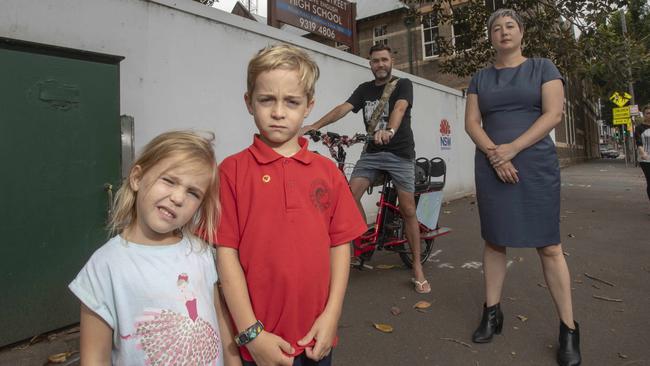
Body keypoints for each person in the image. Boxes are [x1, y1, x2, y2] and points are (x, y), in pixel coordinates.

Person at [214, 44, 367, 366]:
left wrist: (332, 315)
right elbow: (225, 253)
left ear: (309, 106)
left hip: (316, 337)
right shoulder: (231, 171)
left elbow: (340, 245)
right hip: (259, 344)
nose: (279, 112)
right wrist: (250, 333)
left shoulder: (327, 171)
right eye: (266, 99)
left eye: (292, 101)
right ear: (249, 102)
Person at [464, 9, 581, 366]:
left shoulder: (543, 68)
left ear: (522, 32)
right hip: (491, 164)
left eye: (510, 26)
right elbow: (472, 122)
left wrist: (511, 149)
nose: (503, 32)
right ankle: (492, 311)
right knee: (494, 239)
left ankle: (568, 328)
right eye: (496, 28)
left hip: (534, 165)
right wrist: (495, 156)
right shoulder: (479, 78)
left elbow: (553, 114)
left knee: (549, 245)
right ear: (490, 37)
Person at [69, 131, 240, 366]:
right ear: (137, 178)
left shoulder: (200, 252)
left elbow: (220, 322)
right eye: (169, 180)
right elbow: (94, 358)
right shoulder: (104, 266)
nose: (178, 198)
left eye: (193, 193)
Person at [302, 44, 430, 294]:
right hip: (371, 153)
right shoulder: (364, 90)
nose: (380, 64)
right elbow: (343, 108)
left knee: (408, 209)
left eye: (384, 59)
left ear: (391, 60)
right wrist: (313, 126)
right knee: (348, 197)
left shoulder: (403, 84)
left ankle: (417, 266)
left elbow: (400, 108)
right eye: (375, 61)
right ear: (369, 64)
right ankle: (364, 243)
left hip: (399, 153)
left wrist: (389, 131)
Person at [634, 105, 650, 203]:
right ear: (644, 115)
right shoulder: (639, 128)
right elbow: (639, 143)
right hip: (646, 158)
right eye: (648, 113)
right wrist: (643, 154)